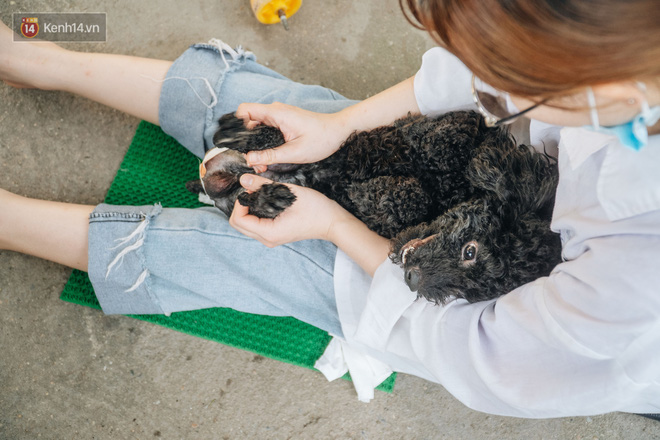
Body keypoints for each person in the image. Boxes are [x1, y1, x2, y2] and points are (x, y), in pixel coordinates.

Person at [1, 0, 660, 416]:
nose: (485, 78)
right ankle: (38, 55)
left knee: (262, 256)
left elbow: (480, 348)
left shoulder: (632, 279)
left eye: (511, 74)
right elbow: (472, 71)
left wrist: (333, 225)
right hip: (497, 172)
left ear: (609, 80)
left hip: (479, 297)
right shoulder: (607, 52)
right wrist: (340, 126)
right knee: (279, 115)